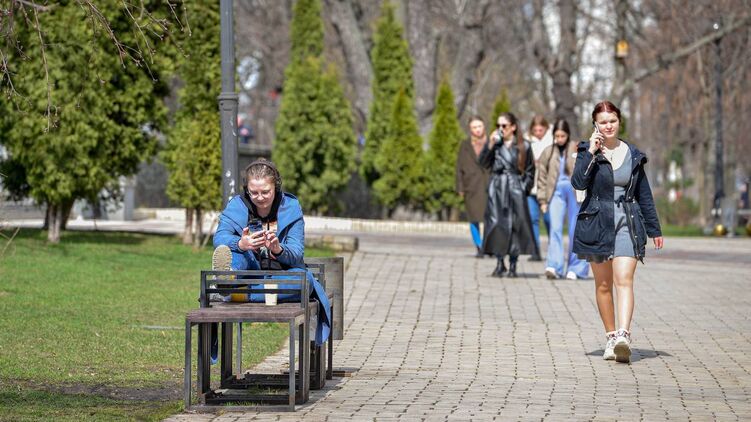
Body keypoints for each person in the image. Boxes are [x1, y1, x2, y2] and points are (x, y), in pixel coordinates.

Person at [211, 158, 331, 361]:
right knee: (236, 256)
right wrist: (241, 243)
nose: (259, 197)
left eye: (265, 191)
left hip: (282, 272)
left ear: (276, 187)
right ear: (246, 189)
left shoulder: (291, 207)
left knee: (305, 281)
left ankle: (233, 293)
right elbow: (219, 238)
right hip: (249, 268)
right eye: (253, 192)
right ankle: (228, 278)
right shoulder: (236, 206)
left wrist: (278, 249)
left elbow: (296, 253)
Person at [572, 101, 663, 363]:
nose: (608, 125)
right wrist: (591, 151)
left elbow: (644, 194)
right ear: (595, 125)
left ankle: (624, 335)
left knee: (624, 279)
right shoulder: (586, 151)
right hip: (598, 223)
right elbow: (578, 182)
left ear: (619, 121)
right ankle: (611, 337)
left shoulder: (633, 155)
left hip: (627, 222)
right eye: (603, 122)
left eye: (612, 120)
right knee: (603, 285)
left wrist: (654, 228)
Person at [479, 112, 538, 277]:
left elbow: (530, 171)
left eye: (504, 126)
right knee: (496, 224)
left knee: (515, 226)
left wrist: (523, 188)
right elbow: (483, 163)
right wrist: (490, 144)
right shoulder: (495, 145)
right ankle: (499, 262)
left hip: (514, 188)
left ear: (513, 127)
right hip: (497, 188)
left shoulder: (524, 146)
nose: (500, 129)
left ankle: (513, 264)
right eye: (498, 126)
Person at [537, 119, 589, 280]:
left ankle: (576, 268)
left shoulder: (575, 148)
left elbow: (585, 168)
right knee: (555, 229)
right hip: (555, 193)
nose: (559, 139)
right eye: (557, 136)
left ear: (568, 135)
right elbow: (542, 177)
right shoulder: (548, 152)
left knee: (576, 230)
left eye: (562, 136)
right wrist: (543, 200)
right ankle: (554, 266)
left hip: (575, 193)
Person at [456, 116, 490, 257]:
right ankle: (479, 246)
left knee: (490, 217)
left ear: (484, 127)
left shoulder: (491, 143)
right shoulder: (465, 145)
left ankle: (489, 245)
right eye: (474, 127)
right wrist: (460, 187)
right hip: (471, 186)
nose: (477, 130)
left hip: (489, 185)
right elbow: (459, 167)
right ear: (470, 130)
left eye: (479, 126)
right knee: (473, 218)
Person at [526, 115, 553, 261]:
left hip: (547, 188)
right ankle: (535, 250)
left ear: (546, 128)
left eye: (540, 129)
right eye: (535, 130)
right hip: (531, 188)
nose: (538, 133)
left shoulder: (552, 141)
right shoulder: (527, 142)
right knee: (532, 219)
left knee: (549, 220)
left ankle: (553, 249)